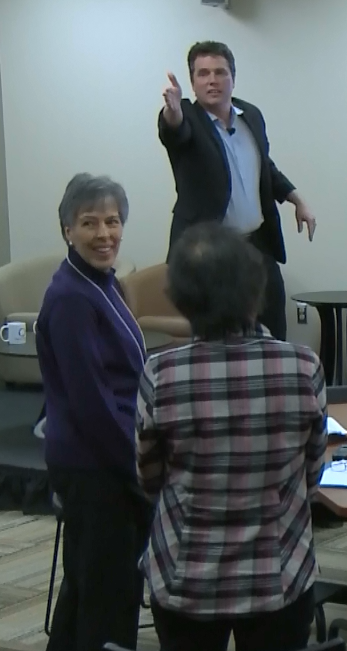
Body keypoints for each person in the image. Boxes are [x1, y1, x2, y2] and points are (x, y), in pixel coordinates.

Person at [136, 222, 328, 651]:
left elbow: (149, 477)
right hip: (278, 578)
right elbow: (313, 472)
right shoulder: (302, 366)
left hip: (186, 579)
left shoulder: (161, 373)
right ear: (255, 289)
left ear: (183, 298)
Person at [36, 173, 150, 651]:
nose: (105, 234)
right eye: (89, 223)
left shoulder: (101, 283)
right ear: (67, 230)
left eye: (112, 221)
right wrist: (139, 471)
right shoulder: (71, 299)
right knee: (109, 596)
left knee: (87, 587)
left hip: (102, 456)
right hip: (97, 465)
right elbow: (93, 404)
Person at [158, 40, 316, 342]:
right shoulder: (186, 116)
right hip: (209, 251)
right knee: (217, 337)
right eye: (203, 73)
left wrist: (296, 199)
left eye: (220, 72)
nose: (212, 80)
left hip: (257, 244)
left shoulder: (251, 116)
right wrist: (173, 111)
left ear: (233, 77)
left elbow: (264, 167)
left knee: (273, 329)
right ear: (192, 81)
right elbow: (175, 133)